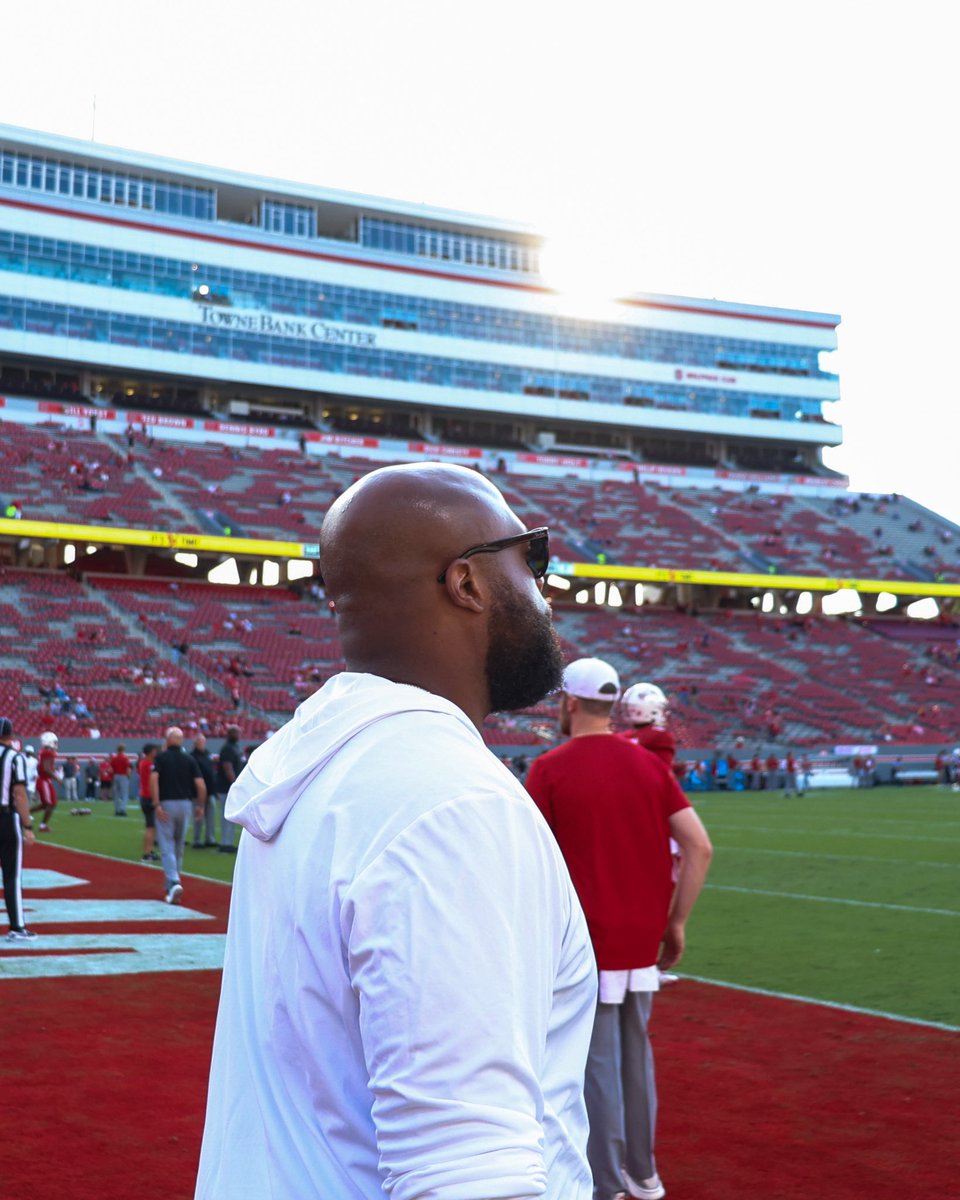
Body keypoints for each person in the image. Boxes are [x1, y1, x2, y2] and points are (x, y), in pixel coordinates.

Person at [197, 462, 596, 1200]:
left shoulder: (323, 773)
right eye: (530, 558)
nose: (548, 591)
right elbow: (469, 1177)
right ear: (467, 583)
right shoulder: (451, 803)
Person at [525, 657, 713, 1200]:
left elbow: (533, 862)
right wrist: (675, 923)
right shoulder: (650, 766)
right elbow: (699, 845)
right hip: (641, 937)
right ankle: (644, 1171)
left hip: (589, 940)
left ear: (569, 701)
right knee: (637, 1055)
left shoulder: (551, 768)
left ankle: (606, 1182)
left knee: (596, 1066)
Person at [149, 727, 205, 905]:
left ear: (167, 740)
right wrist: (201, 806)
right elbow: (201, 785)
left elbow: (153, 779)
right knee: (179, 845)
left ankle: (174, 882)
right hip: (186, 804)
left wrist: (156, 803)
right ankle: (172, 884)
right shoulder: (189, 759)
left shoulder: (161, 758)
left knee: (167, 845)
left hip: (167, 803)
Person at [0, 717, 39, 941]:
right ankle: (17, 926)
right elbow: (20, 794)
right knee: (12, 875)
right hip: (6, 818)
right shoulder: (15, 757)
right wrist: (28, 825)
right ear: (11, 735)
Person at [213, 725, 242, 854]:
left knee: (230, 816)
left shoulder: (232, 748)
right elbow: (227, 767)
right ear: (231, 734)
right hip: (226, 787)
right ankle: (225, 843)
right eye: (236, 733)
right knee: (227, 816)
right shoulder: (228, 749)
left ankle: (228, 842)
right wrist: (235, 784)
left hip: (228, 787)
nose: (238, 735)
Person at [189, 734, 218, 848]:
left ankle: (210, 838)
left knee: (211, 816)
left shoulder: (207, 755)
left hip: (210, 791)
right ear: (195, 743)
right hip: (197, 791)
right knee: (198, 816)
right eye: (200, 742)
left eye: (203, 741)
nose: (202, 744)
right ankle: (197, 839)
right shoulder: (192, 756)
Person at [30, 732, 59, 832]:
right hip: (44, 780)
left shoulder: (44, 752)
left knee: (48, 804)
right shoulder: (47, 752)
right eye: (54, 742)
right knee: (50, 804)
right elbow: (46, 769)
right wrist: (57, 778)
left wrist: (53, 770)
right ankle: (42, 826)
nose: (56, 744)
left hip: (45, 780)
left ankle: (23, 815)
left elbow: (45, 767)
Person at [138, 743, 160, 863]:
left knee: (151, 827)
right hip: (148, 797)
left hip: (145, 796)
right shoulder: (148, 764)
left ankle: (149, 850)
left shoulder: (143, 763)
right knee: (150, 827)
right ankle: (147, 853)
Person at [109, 743, 132, 816]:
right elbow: (128, 769)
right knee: (125, 794)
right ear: (123, 749)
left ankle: (117, 810)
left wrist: (112, 776)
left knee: (116, 794)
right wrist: (129, 776)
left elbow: (110, 769)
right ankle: (122, 809)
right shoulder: (125, 758)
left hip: (115, 776)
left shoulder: (114, 758)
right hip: (123, 776)